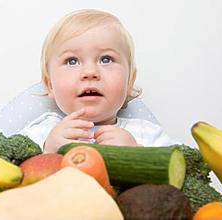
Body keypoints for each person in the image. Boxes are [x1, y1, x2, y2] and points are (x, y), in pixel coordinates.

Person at [20, 9, 179, 153]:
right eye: (72, 61)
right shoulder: (41, 133)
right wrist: (47, 151)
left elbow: (183, 172)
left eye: (106, 59)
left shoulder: (145, 134)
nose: (90, 72)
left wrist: (137, 153)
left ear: (130, 82)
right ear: (49, 85)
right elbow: (7, 172)